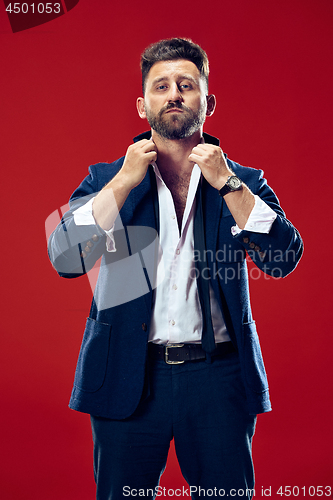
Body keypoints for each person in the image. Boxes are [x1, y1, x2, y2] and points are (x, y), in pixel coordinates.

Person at [48, 38, 303, 499]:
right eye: (162, 86)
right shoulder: (107, 179)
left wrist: (227, 183)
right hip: (127, 374)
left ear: (208, 102)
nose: (175, 94)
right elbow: (65, 257)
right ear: (143, 104)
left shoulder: (241, 181)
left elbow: (282, 257)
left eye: (187, 85)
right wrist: (125, 182)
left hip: (218, 378)